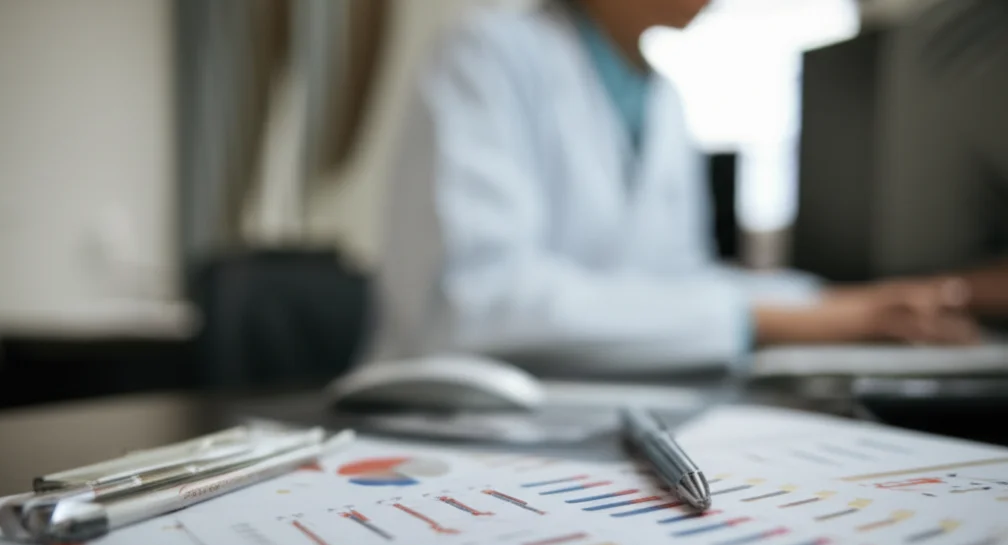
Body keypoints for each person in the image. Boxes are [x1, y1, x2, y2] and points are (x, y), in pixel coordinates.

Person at [366, 0, 982, 374]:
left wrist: (853, 304)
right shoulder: (486, 51)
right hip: (444, 418)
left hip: (595, 410)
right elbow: (479, 303)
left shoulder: (663, 100)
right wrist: (786, 320)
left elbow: (676, 283)